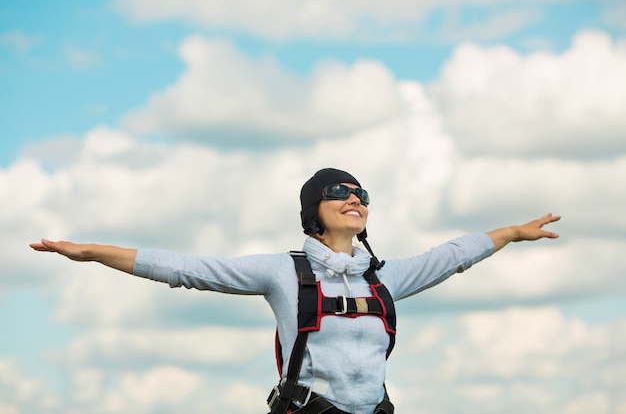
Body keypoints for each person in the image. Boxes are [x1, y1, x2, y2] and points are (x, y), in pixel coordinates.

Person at [30, 168, 560, 414]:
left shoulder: (385, 278)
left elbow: (450, 257)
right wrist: (94, 251)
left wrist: (511, 234)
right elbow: (188, 267)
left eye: (361, 194)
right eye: (339, 193)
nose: (354, 198)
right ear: (314, 213)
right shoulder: (283, 273)